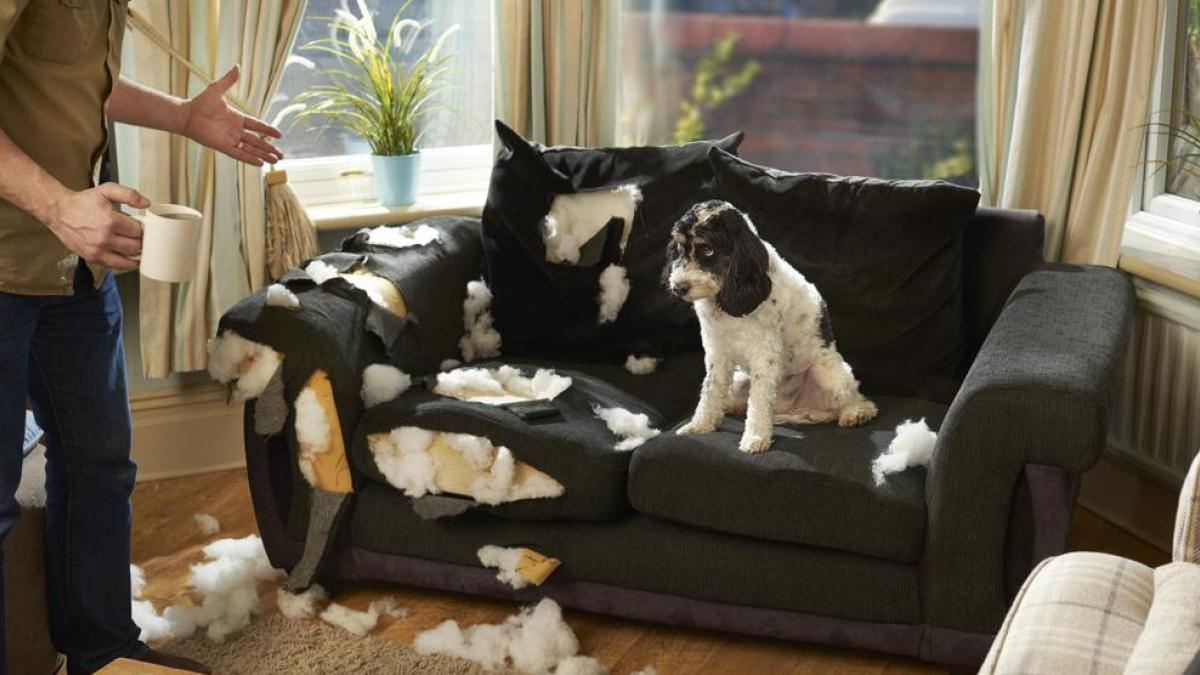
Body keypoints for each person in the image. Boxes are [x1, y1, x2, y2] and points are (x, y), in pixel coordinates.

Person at [0, 1, 283, 673]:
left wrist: (185, 116)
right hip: (12, 255)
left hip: (72, 266)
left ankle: (101, 651)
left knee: (100, 468)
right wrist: (57, 205)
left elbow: (64, 78)